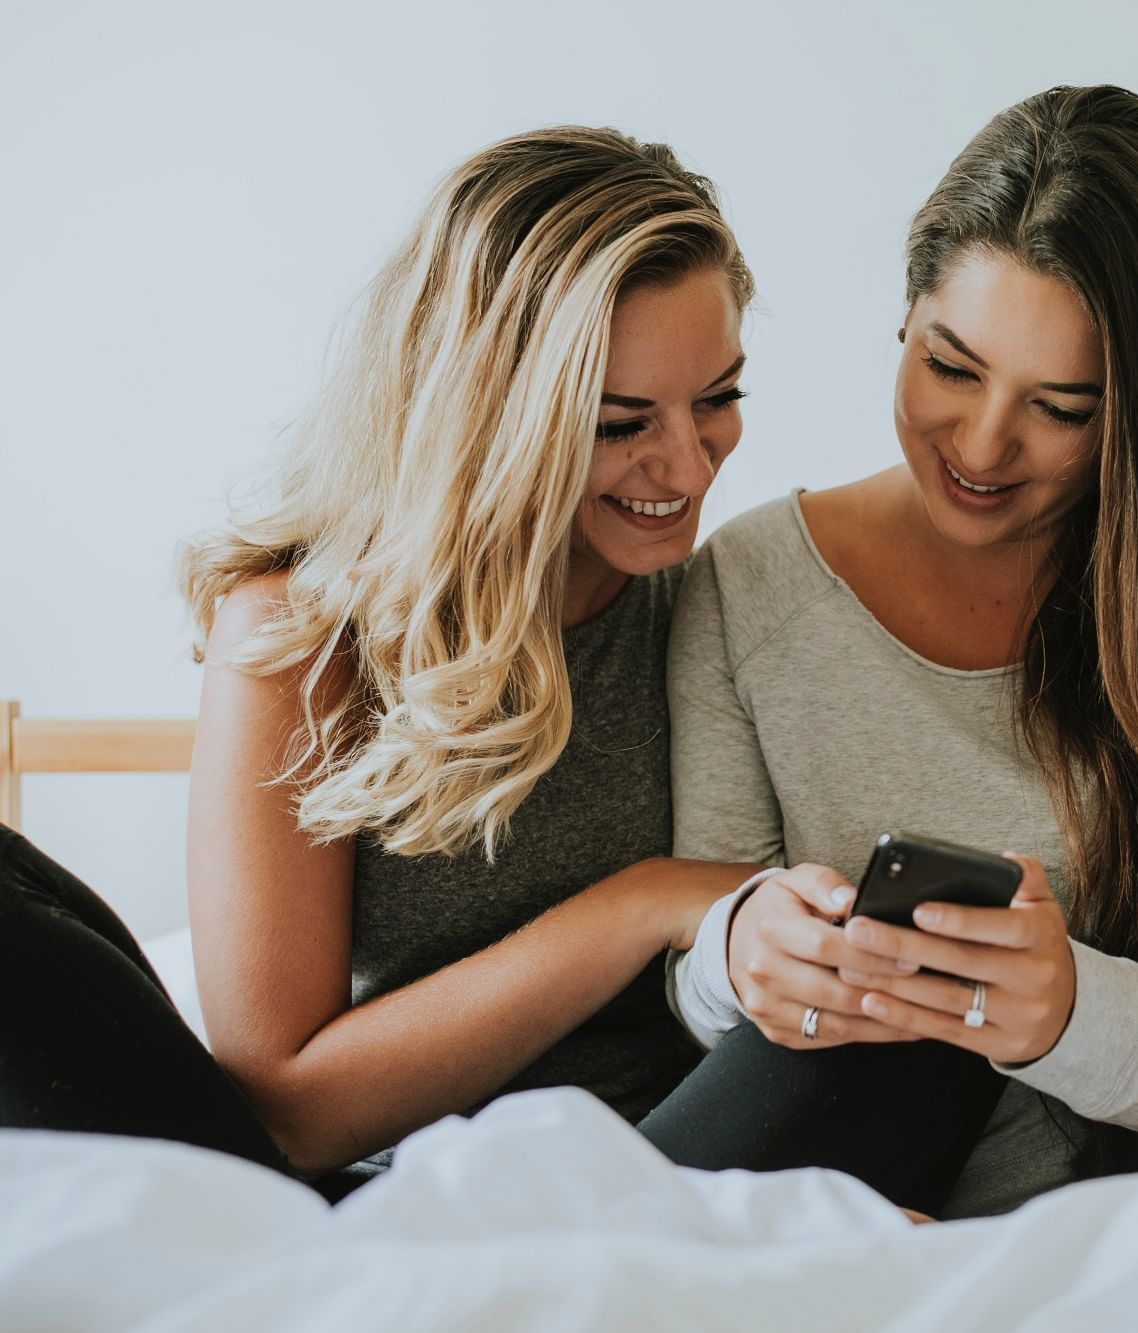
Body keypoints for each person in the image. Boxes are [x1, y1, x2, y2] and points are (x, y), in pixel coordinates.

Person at [0, 125, 999, 1215]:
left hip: (677, 1161)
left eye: (718, 398)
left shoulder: (724, 603)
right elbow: (287, 1109)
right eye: (620, 423)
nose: (686, 464)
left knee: (922, 999)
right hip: (383, 1189)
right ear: (490, 416)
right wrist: (641, 902)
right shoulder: (299, 640)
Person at [666, 85, 1138, 1218]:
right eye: (951, 368)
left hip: (1115, 1224)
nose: (983, 444)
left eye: (1061, 407)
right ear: (903, 317)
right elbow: (694, 997)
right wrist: (736, 947)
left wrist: (1063, 1012)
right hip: (828, 1191)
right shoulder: (747, 586)